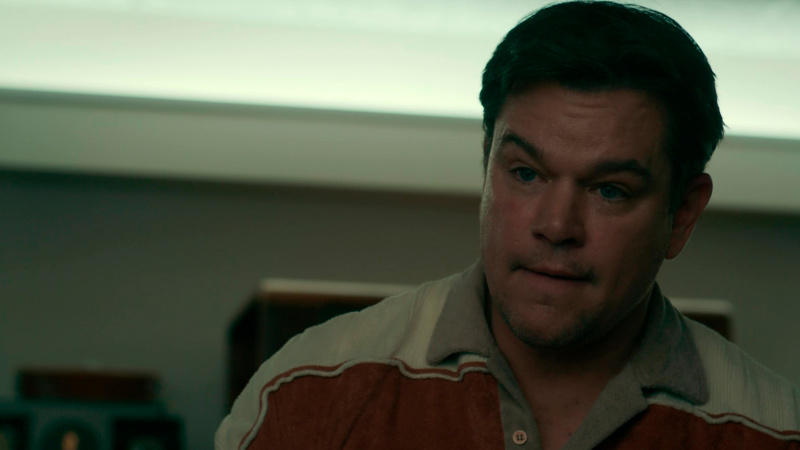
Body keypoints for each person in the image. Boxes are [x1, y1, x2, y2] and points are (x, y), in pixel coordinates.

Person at [216, 1, 800, 449]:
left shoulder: (773, 431)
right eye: (525, 173)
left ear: (683, 215)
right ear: (486, 167)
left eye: (610, 189)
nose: (556, 225)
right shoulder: (309, 394)